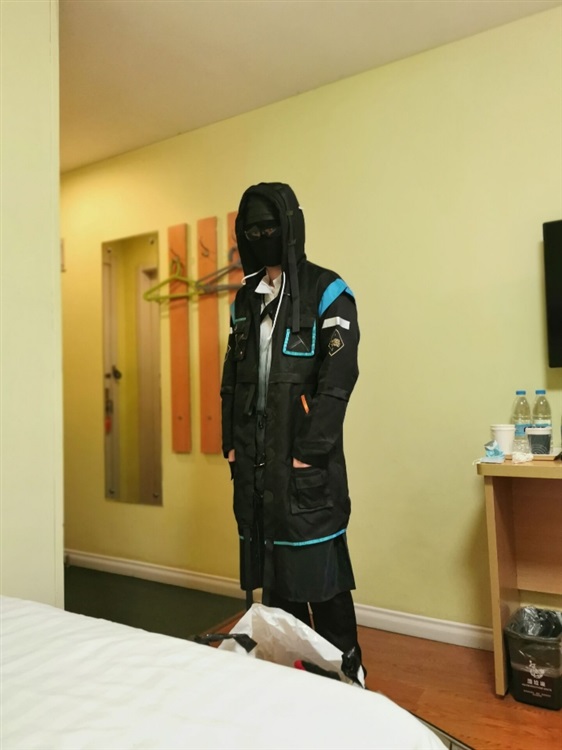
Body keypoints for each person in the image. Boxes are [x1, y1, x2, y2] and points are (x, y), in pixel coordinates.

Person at [220, 181, 362, 671]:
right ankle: (291, 686)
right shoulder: (245, 301)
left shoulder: (328, 292)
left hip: (305, 470)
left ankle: (347, 678)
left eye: (269, 228)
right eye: (251, 231)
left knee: (322, 582)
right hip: (256, 471)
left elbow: (339, 378)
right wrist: (231, 444)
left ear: (290, 227)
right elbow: (232, 378)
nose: (261, 238)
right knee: (277, 586)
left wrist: (308, 451)